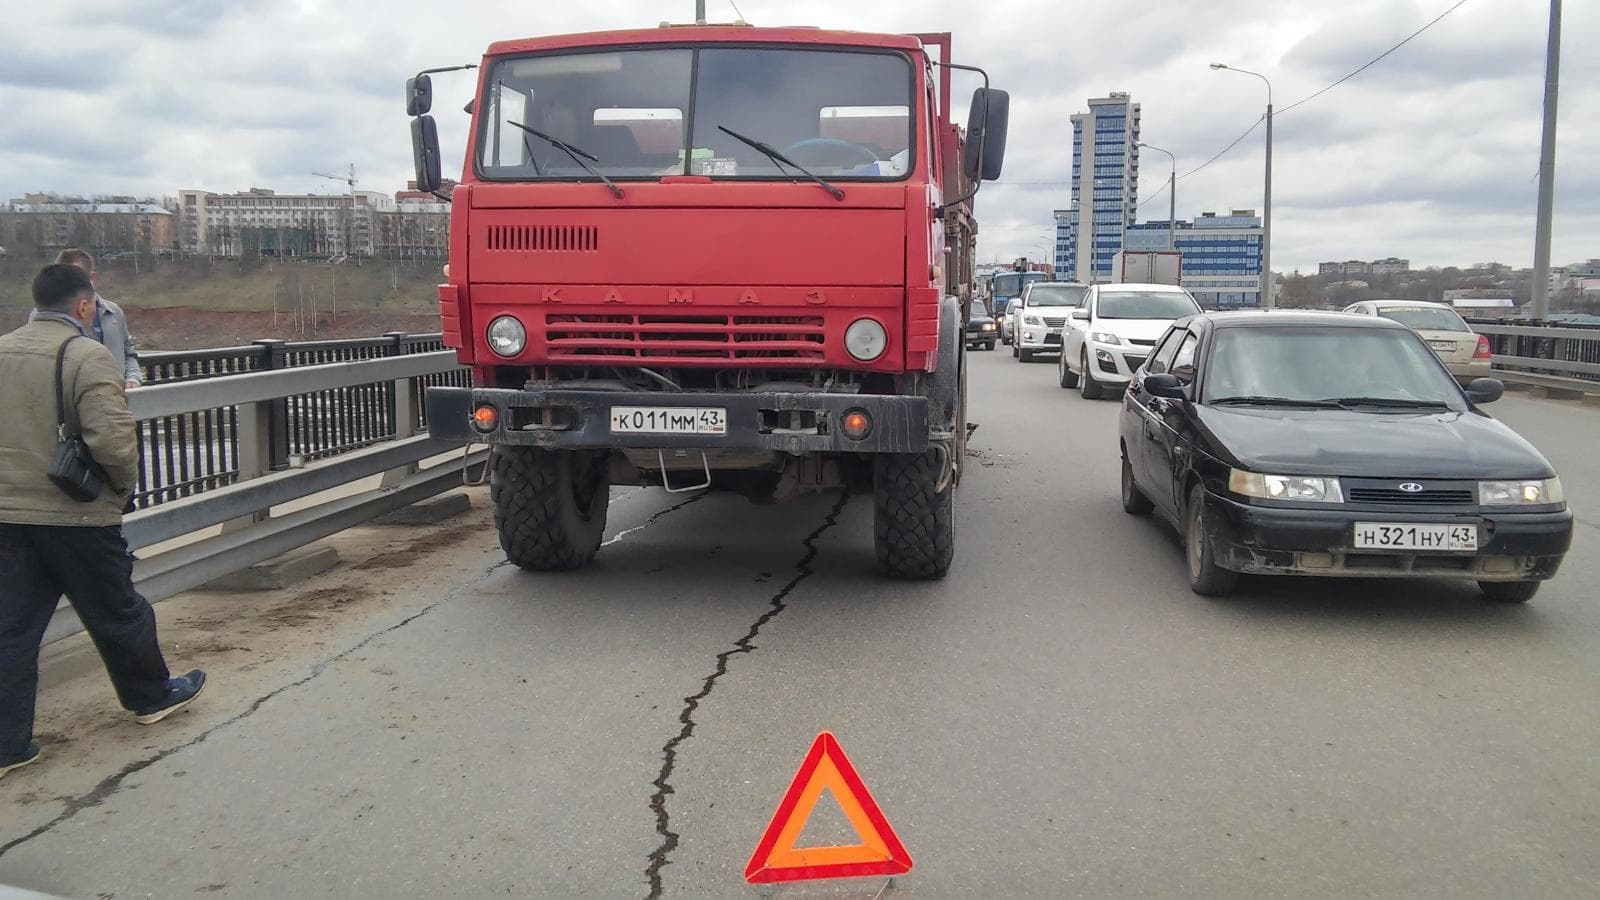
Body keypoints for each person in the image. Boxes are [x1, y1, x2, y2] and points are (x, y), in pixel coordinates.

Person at [0, 263, 204, 781]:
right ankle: (151, 696)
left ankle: (7, 745)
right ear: (84, 306)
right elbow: (112, 442)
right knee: (118, 611)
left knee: (11, 630)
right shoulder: (85, 356)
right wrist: (118, 491)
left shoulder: (2, 350)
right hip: (75, 514)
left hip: (8, 516)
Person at [43, 248, 143, 390]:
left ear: (92, 277)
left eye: (75, 278)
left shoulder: (113, 312)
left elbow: (129, 353)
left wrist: (133, 377)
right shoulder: (43, 316)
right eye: (63, 278)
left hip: (114, 399)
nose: (69, 285)